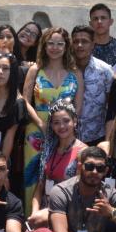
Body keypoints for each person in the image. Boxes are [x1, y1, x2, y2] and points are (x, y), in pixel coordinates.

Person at [22, 28, 84, 205]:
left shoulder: (75, 72)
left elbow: (78, 106)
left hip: (65, 132)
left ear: (66, 46)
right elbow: (25, 101)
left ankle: (60, 213)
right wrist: (41, 124)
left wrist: (67, 127)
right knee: (33, 176)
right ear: (44, 45)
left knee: (63, 174)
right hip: (36, 131)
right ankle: (32, 216)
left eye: (60, 44)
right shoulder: (35, 70)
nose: (55, 48)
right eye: (51, 43)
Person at [29, 100, 86, 227]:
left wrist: (46, 214)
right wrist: (34, 212)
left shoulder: (83, 152)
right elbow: (40, 186)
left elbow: (80, 193)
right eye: (56, 122)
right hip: (43, 210)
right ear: (52, 126)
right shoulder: (48, 149)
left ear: (74, 121)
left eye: (66, 121)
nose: (61, 126)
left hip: (67, 212)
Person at [71, 24, 113, 145]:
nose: (79, 45)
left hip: (97, 137)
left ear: (93, 44)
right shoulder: (64, 69)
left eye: (84, 41)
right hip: (66, 136)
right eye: (76, 41)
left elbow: (111, 105)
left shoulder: (105, 70)